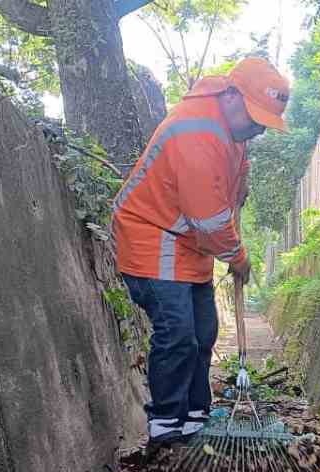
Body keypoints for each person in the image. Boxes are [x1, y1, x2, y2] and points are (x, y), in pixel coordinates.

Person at [112, 57, 289, 448]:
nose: (258, 128)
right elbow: (208, 220)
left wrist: (240, 185)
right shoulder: (197, 131)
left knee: (204, 332)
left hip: (188, 243)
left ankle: (194, 415)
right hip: (152, 235)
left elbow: (232, 184)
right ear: (230, 95)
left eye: (265, 122)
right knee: (177, 333)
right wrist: (239, 257)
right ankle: (165, 427)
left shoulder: (233, 133)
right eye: (255, 117)